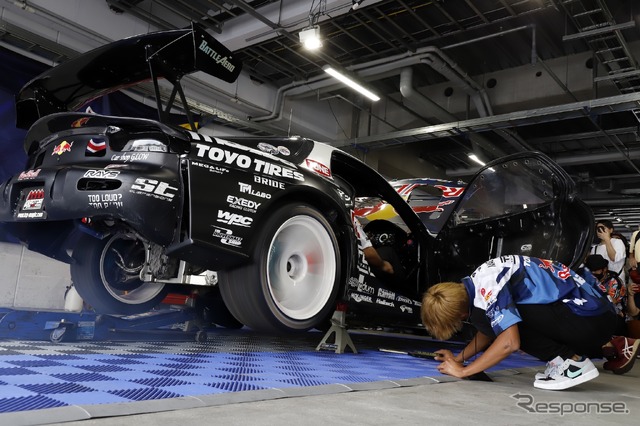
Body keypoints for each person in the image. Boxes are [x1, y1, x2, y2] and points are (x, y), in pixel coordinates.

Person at [420, 255, 630, 391]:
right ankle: (565, 358)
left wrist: (463, 371)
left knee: (510, 325)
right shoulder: (478, 282)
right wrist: (459, 358)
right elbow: (490, 328)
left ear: (458, 315)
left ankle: (571, 362)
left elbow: (509, 342)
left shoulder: (489, 288)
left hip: (590, 320)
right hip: (592, 316)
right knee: (501, 320)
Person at [584, 254, 640, 374]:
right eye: (591, 270)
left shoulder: (614, 282)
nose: (594, 272)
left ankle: (621, 345)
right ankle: (614, 351)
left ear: (604, 269)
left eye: (596, 270)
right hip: (595, 315)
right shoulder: (586, 278)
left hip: (614, 318)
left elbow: (608, 302)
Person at [592, 220, 627, 284]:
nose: (600, 231)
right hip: (600, 283)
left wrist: (607, 240)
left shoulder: (618, 242)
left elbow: (613, 258)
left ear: (611, 230)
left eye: (603, 228)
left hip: (617, 283)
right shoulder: (595, 248)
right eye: (598, 229)